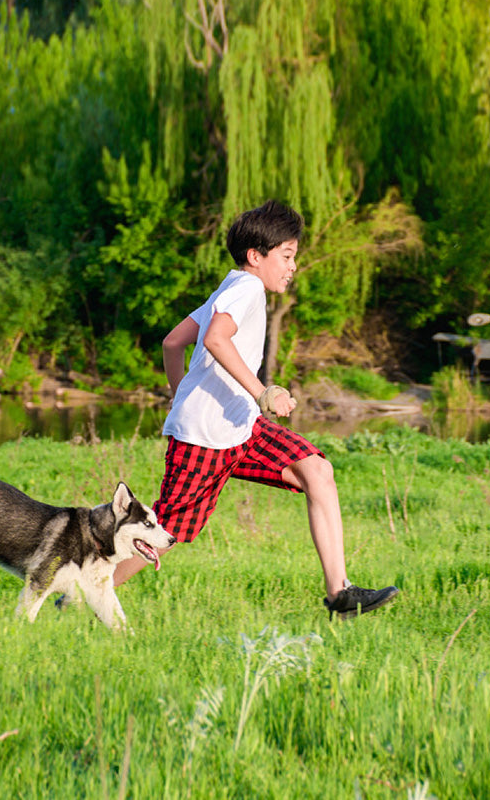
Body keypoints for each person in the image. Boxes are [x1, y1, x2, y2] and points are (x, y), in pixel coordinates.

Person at [112, 200, 399, 619]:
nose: (292, 266)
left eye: (293, 257)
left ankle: (340, 594)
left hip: (239, 428)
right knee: (167, 532)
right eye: (286, 256)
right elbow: (215, 339)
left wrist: (180, 394)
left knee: (317, 471)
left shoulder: (230, 287)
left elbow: (172, 342)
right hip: (206, 437)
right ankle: (80, 592)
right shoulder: (244, 288)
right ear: (255, 256)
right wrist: (263, 392)